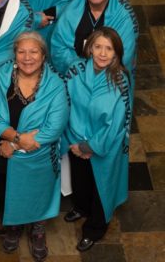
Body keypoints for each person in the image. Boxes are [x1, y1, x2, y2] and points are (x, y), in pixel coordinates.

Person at [0, 32, 69, 262]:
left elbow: (54, 126)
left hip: (39, 153)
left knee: (39, 191)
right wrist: (18, 138)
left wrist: (15, 145)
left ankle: (37, 229)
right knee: (6, 189)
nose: (27, 57)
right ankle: (13, 226)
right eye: (21, 51)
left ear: (43, 56)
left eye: (34, 51)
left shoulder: (55, 84)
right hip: (3, 149)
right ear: (14, 54)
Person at [62, 28, 132, 252]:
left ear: (116, 53)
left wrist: (88, 145)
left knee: (102, 187)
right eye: (98, 46)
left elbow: (117, 124)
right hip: (75, 139)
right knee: (81, 180)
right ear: (89, 48)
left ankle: (95, 228)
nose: (103, 53)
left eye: (109, 49)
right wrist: (74, 141)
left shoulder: (120, 80)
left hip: (104, 146)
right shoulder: (75, 70)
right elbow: (64, 103)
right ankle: (82, 208)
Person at [50, 0, 138, 79]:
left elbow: (124, 54)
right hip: (76, 74)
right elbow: (59, 45)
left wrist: (96, 74)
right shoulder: (72, 9)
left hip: (109, 78)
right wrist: (79, 69)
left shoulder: (124, 15)